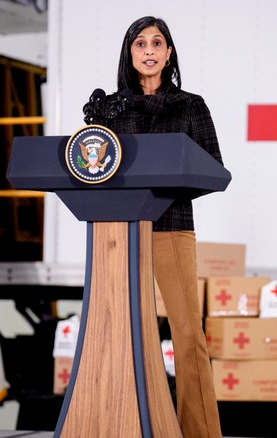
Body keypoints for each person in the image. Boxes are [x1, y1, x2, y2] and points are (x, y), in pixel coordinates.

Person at [90, 16, 224, 438]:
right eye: (140, 43)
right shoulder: (110, 108)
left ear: (168, 54)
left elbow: (213, 168)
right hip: (119, 233)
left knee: (187, 333)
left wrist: (168, 181)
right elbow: (93, 169)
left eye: (157, 43)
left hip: (171, 225)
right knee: (119, 335)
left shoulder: (191, 105)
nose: (148, 50)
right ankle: (123, 425)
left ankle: (200, 433)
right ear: (129, 53)